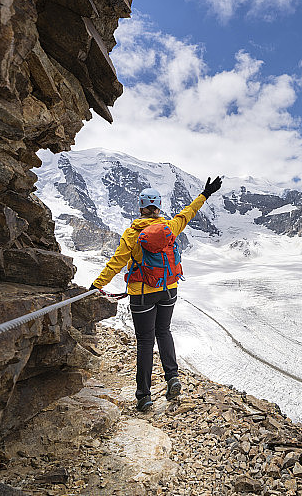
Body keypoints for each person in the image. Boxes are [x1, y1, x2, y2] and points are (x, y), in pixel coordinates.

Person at [90, 176, 222, 412]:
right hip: (169, 289)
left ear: (141, 207)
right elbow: (187, 214)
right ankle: (172, 377)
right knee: (164, 332)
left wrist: (96, 285)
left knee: (144, 341)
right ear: (158, 206)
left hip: (142, 294)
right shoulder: (169, 227)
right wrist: (205, 194)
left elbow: (116, 263)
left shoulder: (132, 234)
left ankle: (144, 396)